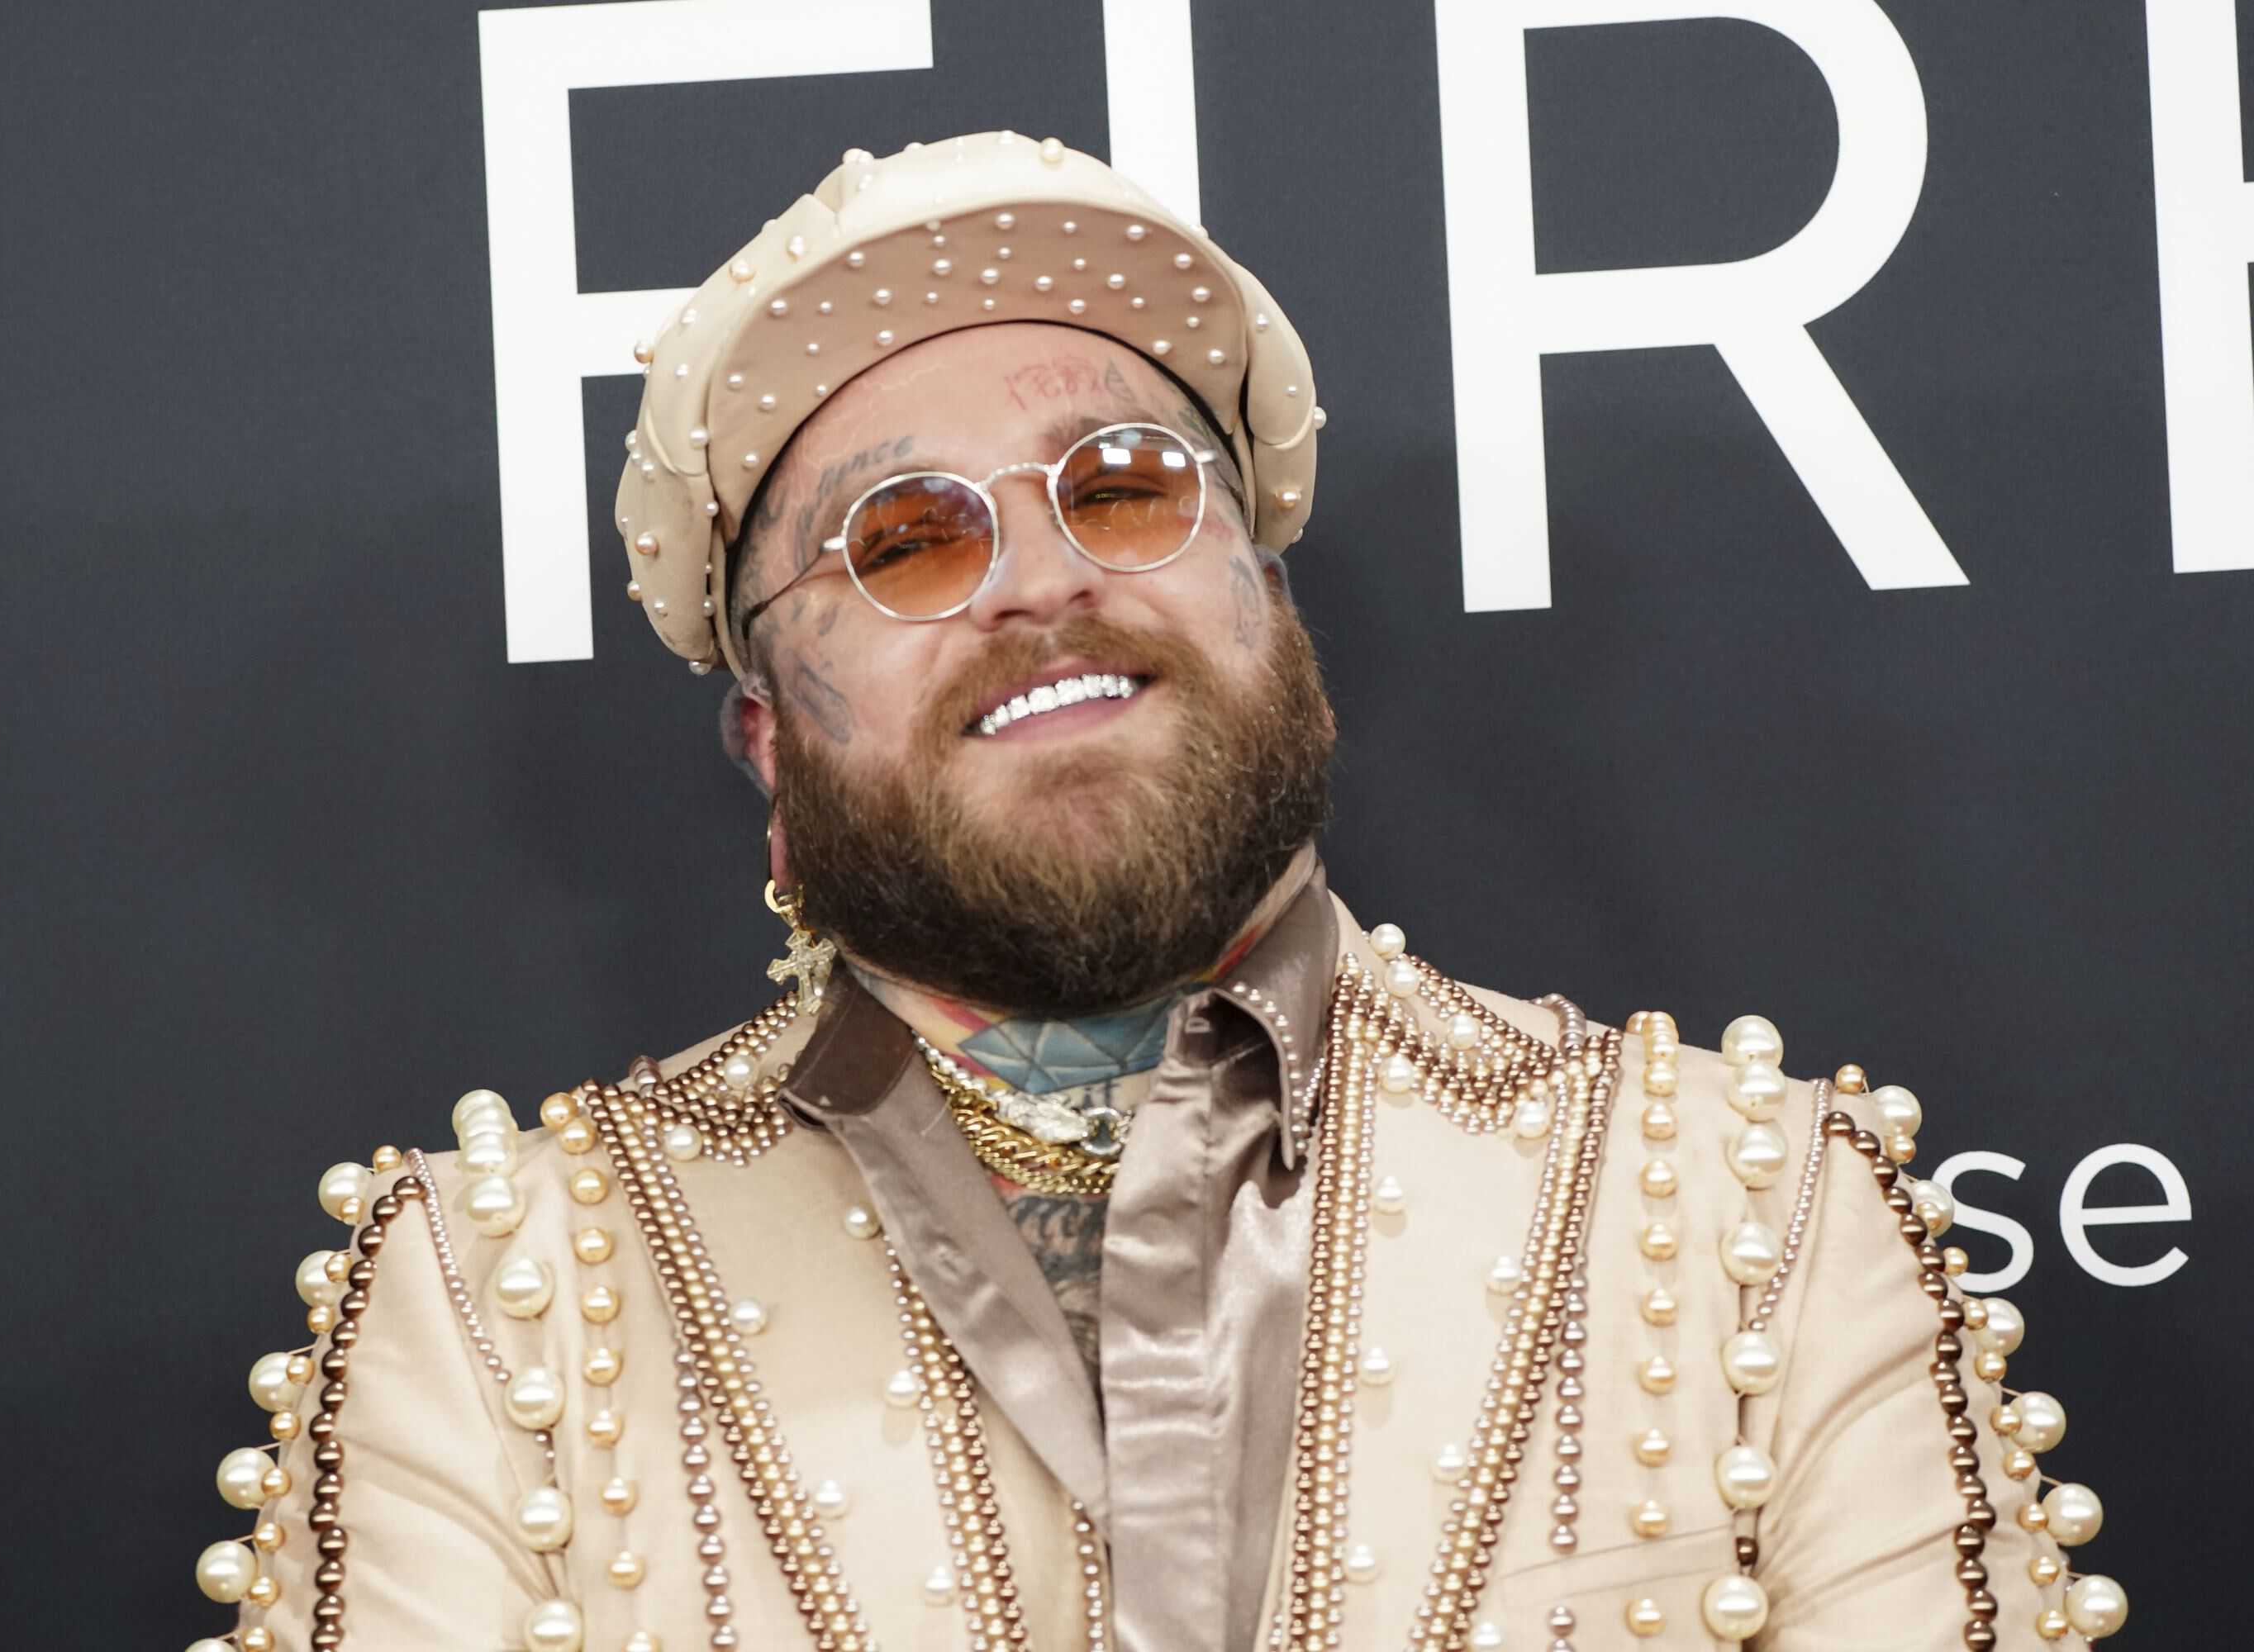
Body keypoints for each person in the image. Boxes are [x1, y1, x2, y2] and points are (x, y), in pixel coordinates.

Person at [178, 134, 2128, 1652]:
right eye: (908, 539)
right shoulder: (484, 1308)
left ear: (1271, 613)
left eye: (1118, 487)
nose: (1042, 580)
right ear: (770, 742)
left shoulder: (1761, 1218)